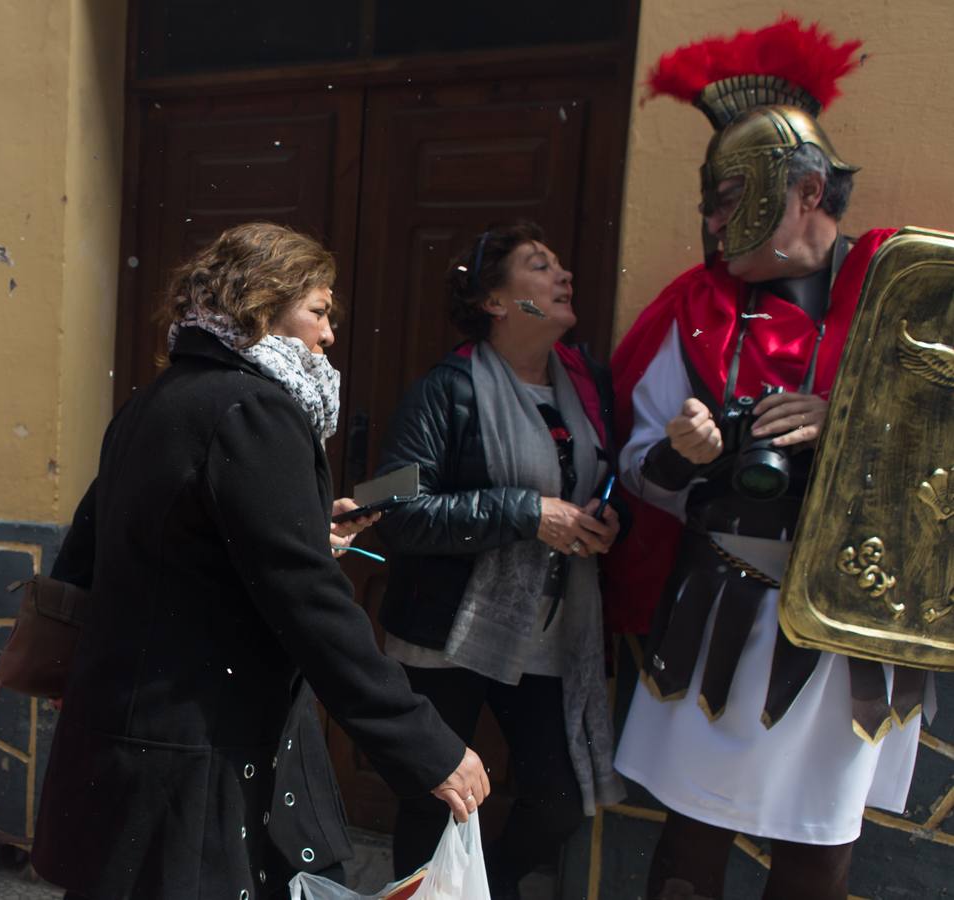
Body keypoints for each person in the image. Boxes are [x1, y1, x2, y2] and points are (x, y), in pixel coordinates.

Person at [30, 222, 490, 899]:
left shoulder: (155, 401)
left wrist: (302, 531)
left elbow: (120, 550)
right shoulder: (254, 410)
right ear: (262, 300)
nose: (329, 335)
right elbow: (307, 601)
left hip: (130, 754)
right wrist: (424, 742)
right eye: (320, 310)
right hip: (201, 761)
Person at [607, 19, 924, 900]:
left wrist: (847, 420)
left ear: (810, 190)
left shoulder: (909, 293)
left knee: (818, 846)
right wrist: (687, 457)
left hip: (851, 617)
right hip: (724, 605)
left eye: (730, 197)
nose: (711, 223)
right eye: (711, 200)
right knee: (690, 841)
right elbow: (639, 463)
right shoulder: (697, 308)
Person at [373, 222, 627, 898]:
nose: (563, 277)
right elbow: (397, 508)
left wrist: (603, 519)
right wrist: (526, 513)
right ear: (495, 302)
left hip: (548, 633)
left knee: (558, 802)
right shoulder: (446, 390)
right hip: (445, 632)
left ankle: (495, 887)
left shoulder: (587, 385)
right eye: (540, 267)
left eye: (559, 264)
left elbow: (603, 480)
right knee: (436, 801)